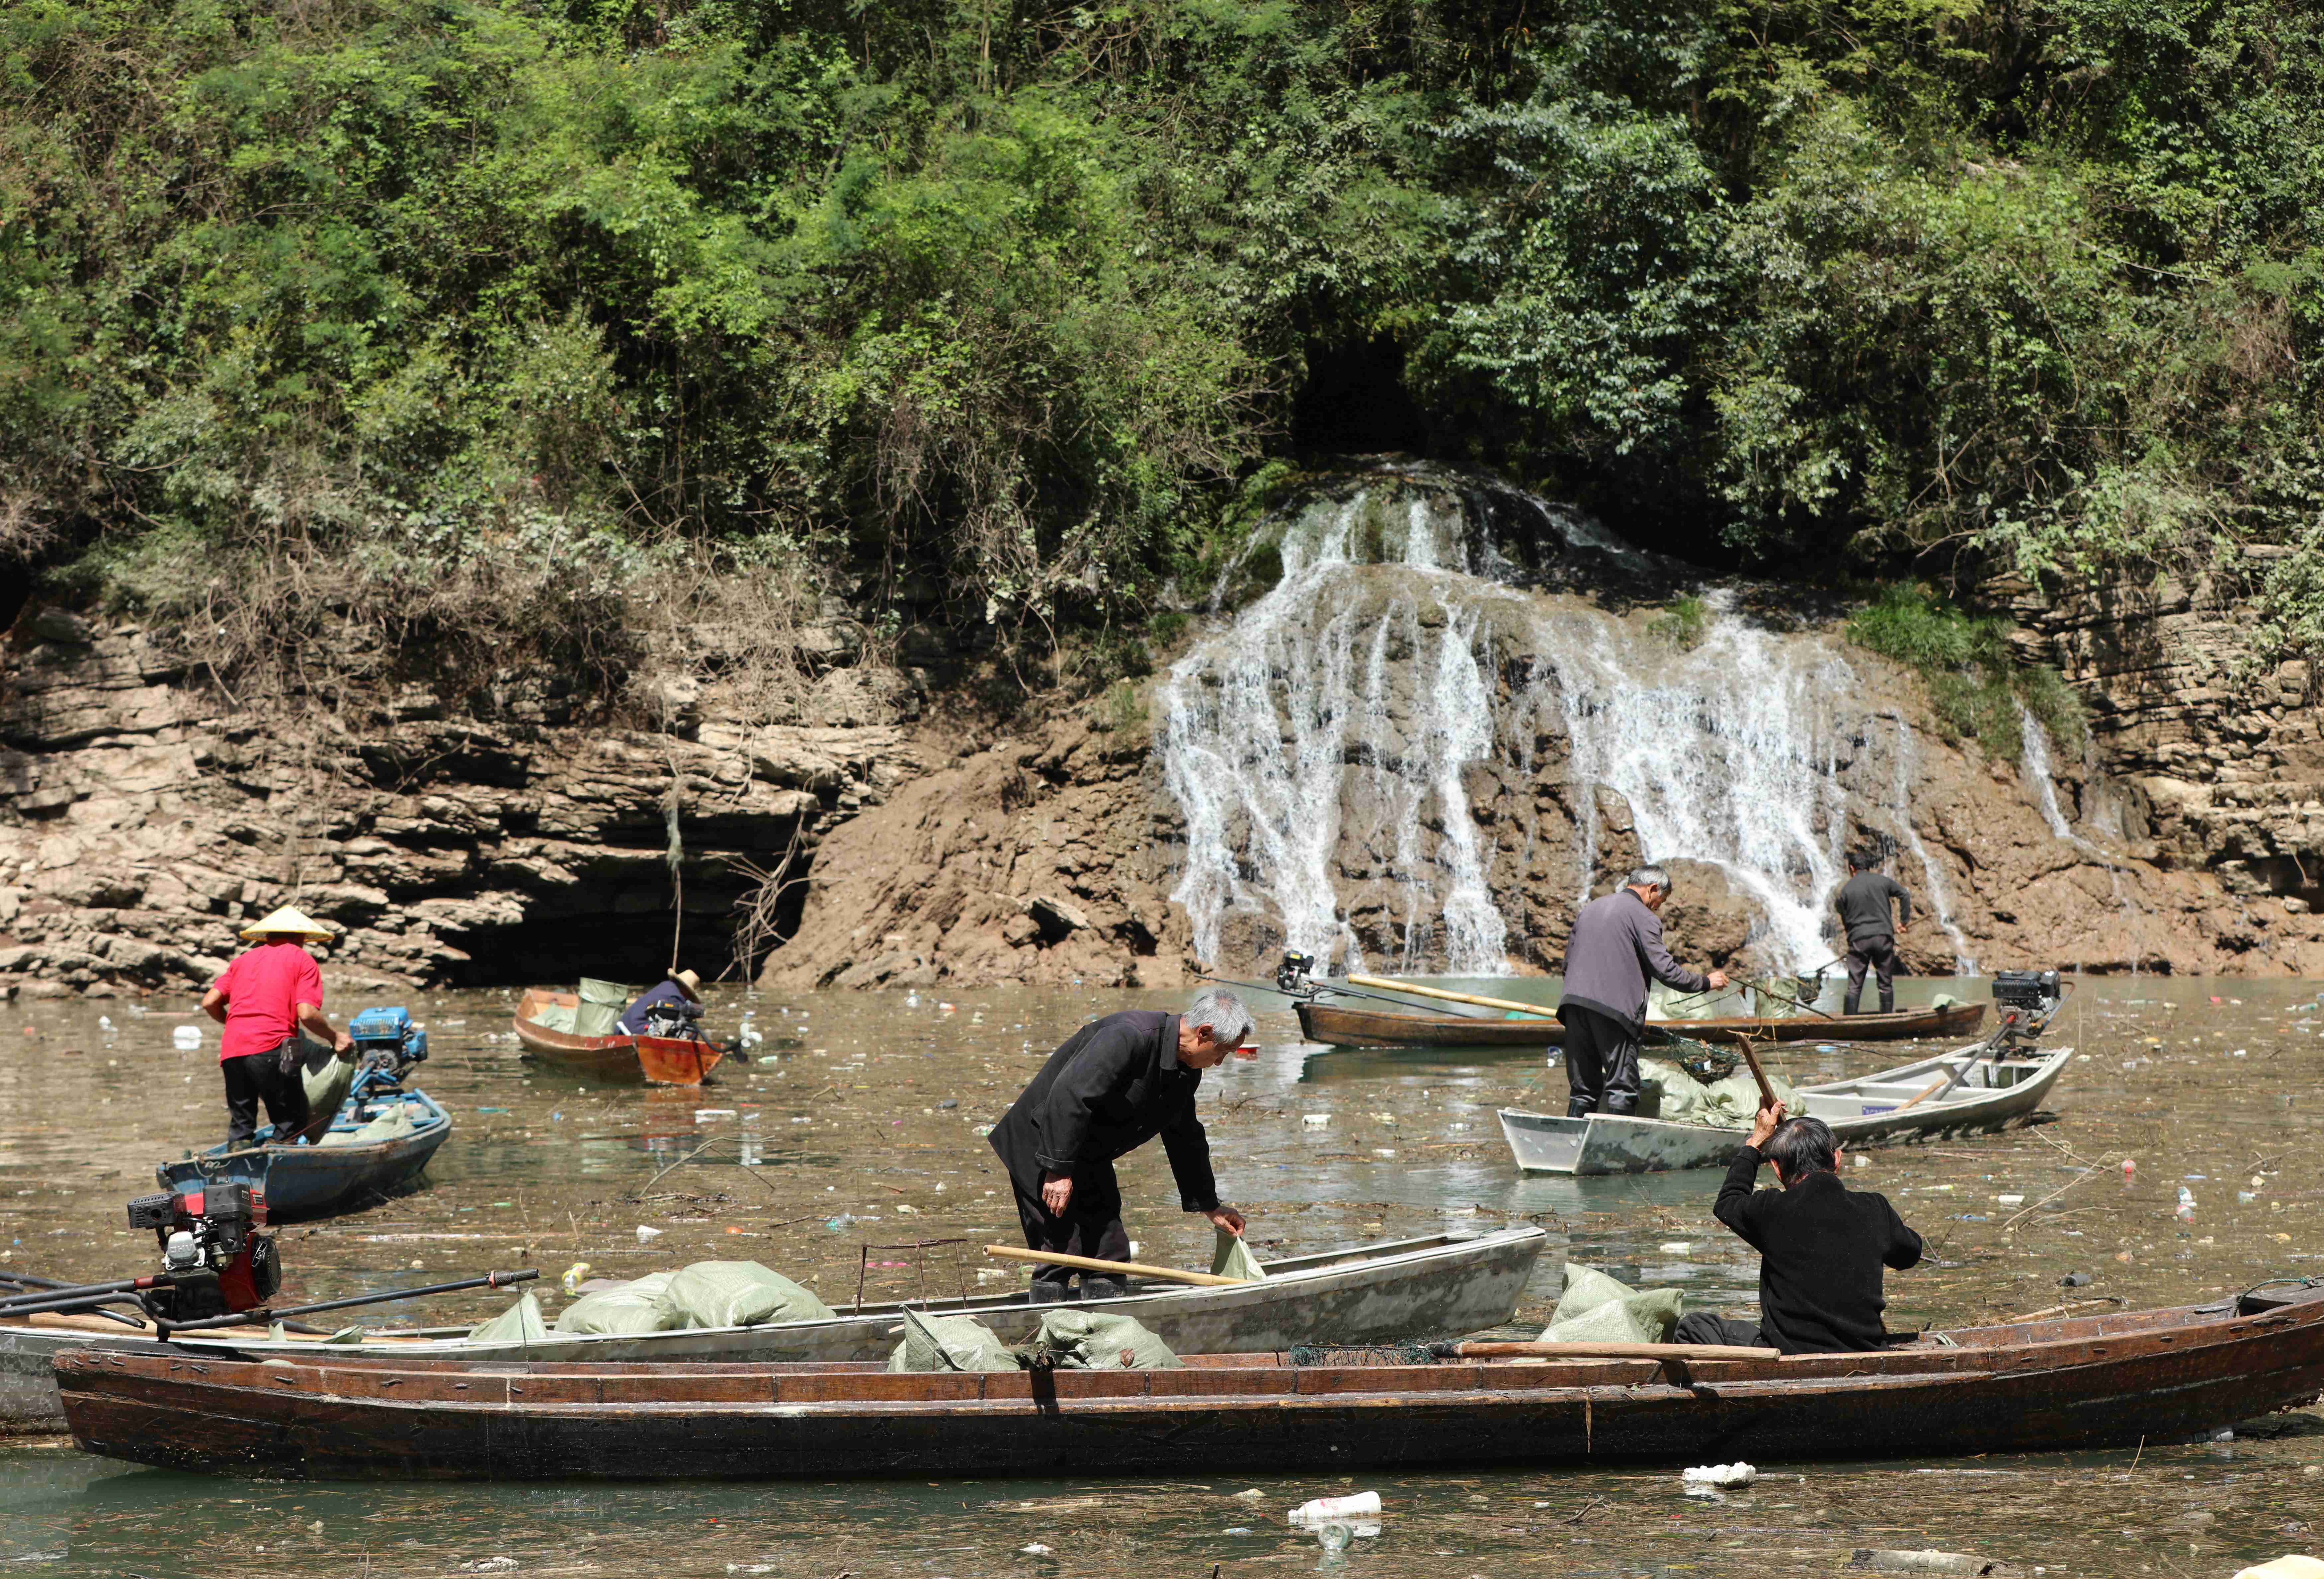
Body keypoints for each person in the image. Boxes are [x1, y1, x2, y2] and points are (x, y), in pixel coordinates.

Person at [988, 988, 1253, 1303]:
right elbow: (1070, 1094)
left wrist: (1209, 1205)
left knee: (1109, 1252)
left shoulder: (1185, 1071)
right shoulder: (1129, 1035)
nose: (1219, 1063)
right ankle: (1049, 1344)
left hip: (1088, 1154)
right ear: (1204, 1033)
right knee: (1060, 1251)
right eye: (1221, 1053)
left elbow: (1185, 1136)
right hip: (1044, 1145)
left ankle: (1105, 1337)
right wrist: (1058, 1171)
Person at [1673, 1102, 1924, 1354]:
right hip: (1862, 1349)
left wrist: (1756, 1141)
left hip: (1787, 1352)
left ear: (1777, 1168)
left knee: (1692, 1327)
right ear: (1837, 1159)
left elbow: (1728, 1201)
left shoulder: (1771, 1209)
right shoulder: (1874, 1208)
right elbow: (1910, 1254)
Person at [1555, 865, 1729, 1118]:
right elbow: (1665, 970)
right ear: (1653, 889)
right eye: (1662, 900)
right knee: (1622, 1088)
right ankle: (1617, 1151)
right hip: (1614, 1013)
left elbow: (1567, 965)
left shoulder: (1590, 909)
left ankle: (1571, 1147)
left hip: (1572, 1006)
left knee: (1583, 1090)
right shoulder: (1644, 917)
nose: (1658, 906)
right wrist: (1706, 982)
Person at [200, 905, 353, 1148]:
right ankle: (283, 1163)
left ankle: (239, 1163)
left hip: (232, 1051)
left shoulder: (241, 961)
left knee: (241, 1129)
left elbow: (209, 1002)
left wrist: (232, 1023)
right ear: (301, 937)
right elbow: (307, 1013)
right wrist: (335, 1038)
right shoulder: (302, 959)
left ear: (267, 936)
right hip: (272, 1049)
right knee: (290, 1124)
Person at [1834, 854, 1912, 1014]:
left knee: (1855, 985)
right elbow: (1904, 894)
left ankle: (1849, 1023)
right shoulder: (1882, 881)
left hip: (1859, 939)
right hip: (1883, 937)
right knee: (1885, 983)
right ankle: (1887, 1020)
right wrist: (1903, 922)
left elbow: (1845, 917)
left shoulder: (1846, 890)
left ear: (1852, 869)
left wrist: (1852, 934)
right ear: (1869, 867)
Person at [618, 969, 703, 1036]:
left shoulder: (665, 987)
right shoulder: (676, 997)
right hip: (636, 1031)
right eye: (689, 996)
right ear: (686, 991)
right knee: (691, 1030)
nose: (687, 998)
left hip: (621, 1029)